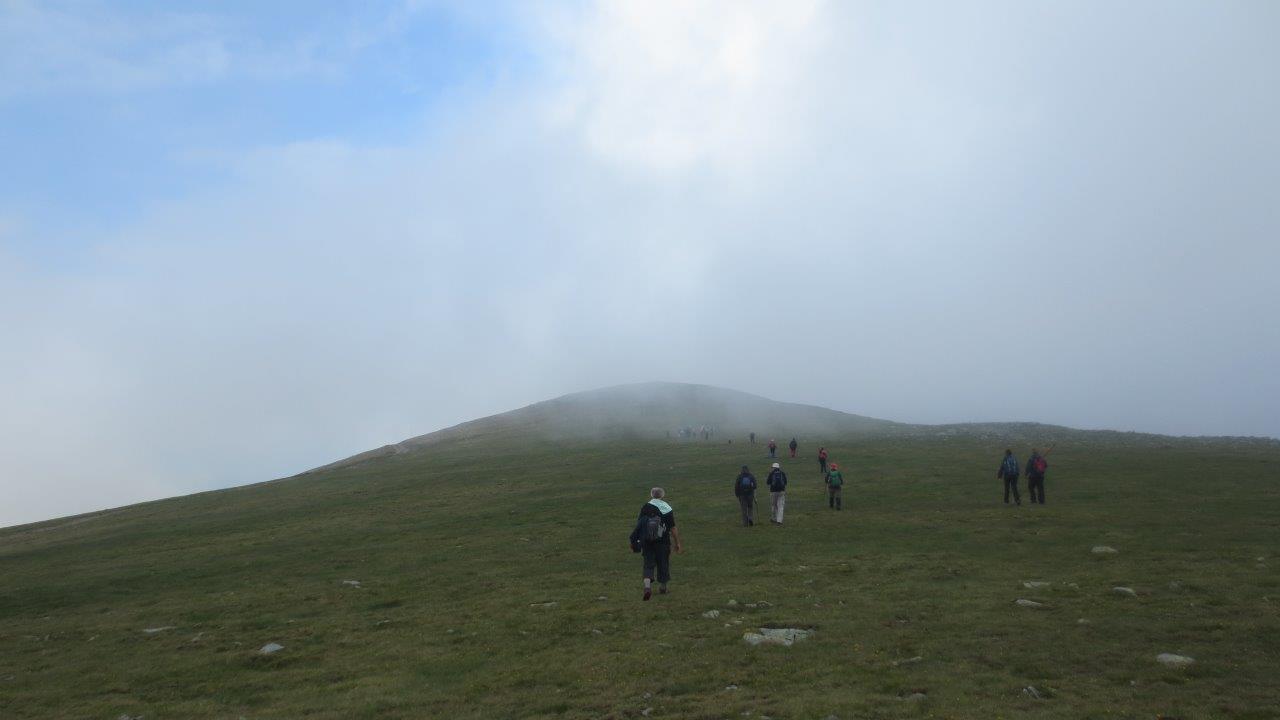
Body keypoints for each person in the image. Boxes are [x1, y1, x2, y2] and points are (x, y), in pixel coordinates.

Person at [628, 487, 683, 600]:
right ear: (662, 495)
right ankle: (663, 587)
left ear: (652, 495)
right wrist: (677, 543)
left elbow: (640, 524)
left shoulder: (646, 507)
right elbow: (672, 527)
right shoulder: (667, 508)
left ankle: (647, 587)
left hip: (647, 541)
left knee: (648, 564)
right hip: (663, 541)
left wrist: (636, 540)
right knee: (663, 563)